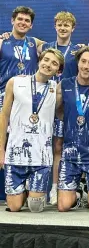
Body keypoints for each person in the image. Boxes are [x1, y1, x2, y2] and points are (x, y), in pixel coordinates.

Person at [0, 48, 64, 212]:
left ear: (58, 71)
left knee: (35, 208)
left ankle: (32, 192)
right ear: (39, 60)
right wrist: (1, 149)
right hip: (15, 154)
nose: (48, 64)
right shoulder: (15, 82)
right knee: (14, 208)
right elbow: (4, 116)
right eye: (46, 60)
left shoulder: (56, 89)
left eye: (54, 63)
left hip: (41, 158)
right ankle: (23, 190)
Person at [56, 46, 89, 212]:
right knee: (63, 206)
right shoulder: (64, 85)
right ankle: (77, 195)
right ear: (78, 62)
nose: (86, 66)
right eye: (83, 61)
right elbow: (58, 112)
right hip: (71, 152)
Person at [41, 11, 80, 205]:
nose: (63, 28)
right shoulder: (46, 47)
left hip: (66, 103)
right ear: (55, 26)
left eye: (67, 25)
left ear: (73, 28)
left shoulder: (78, 50)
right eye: (60, 25)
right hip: (43, 100)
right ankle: (39, 186)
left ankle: (57, 188)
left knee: (59, 147)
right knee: (43, 144)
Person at [0, 6, 45, 110]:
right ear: (12, 21)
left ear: (31, 25)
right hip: (4, 96)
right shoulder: (2, 42)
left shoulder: (34, 42)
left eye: (27, 20)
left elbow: (57, 47)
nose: (23, 22)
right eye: (20, 19)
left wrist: (77, 48)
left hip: (28, 98)